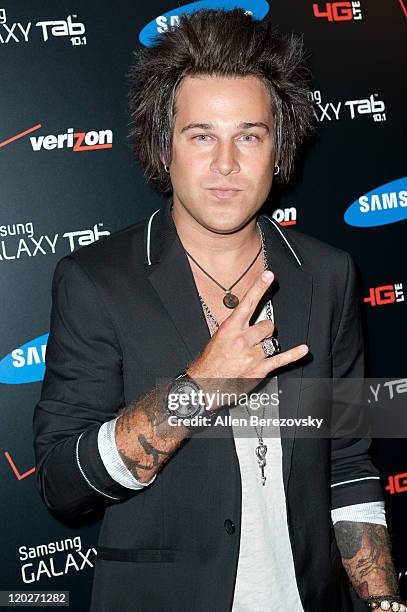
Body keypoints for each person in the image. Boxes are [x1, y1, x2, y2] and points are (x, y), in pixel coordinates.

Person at [33, 8, 403, 612]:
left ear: (278, 149)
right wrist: (199, 388)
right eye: (201, 135)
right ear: (164, 145)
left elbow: (349, 459)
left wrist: (383, 601)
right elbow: (62, 487)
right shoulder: (95, 281)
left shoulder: (329, 274)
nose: (226, 163)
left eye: (249, 136)